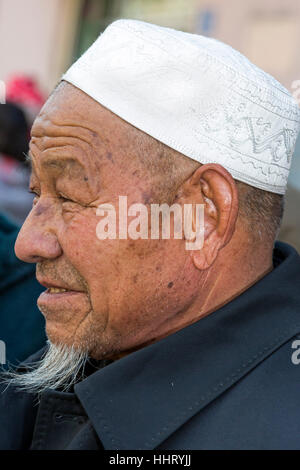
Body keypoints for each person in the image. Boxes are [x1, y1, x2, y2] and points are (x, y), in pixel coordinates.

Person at [1, 19, 300, 450]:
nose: (26, 243)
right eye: (36, 194)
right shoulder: (57, 369)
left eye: (69, 197)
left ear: (204, 216)